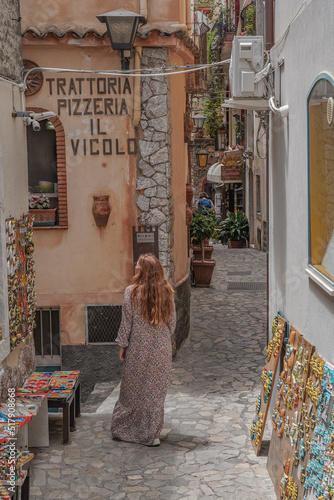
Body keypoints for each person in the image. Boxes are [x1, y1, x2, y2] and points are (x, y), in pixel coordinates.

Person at [111, 254, 176, 447]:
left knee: (132, 389)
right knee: (155, 393)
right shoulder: (167, 292)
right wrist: (162, 337)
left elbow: (126, 323)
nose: (135, 267)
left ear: (145, 270)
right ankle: (151, 434)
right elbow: (172, 323)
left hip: (138, 347)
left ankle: (126, 429)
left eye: (138, 266)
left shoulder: (130, 292)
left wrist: (122, 345)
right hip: (161, 348)